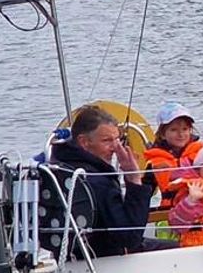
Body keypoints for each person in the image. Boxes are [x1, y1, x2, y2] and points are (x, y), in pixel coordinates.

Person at [50, 105, 157, 258]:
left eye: (117, 139)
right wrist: (133, 179)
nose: (115, 147)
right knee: (182, 249)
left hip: (75, 254)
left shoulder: (62, 165)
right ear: (84, 142)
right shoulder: (97, 181)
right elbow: (130, 238)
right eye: (107, 140)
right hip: (106, 259)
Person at [143, 102, 203, 210]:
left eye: (185, 129)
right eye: (174, 130)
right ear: (162, 134)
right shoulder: (155, 162)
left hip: (201, 208)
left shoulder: (201, 153)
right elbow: (144, 194)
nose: (181, 134)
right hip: (169, 213)